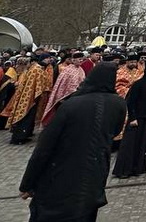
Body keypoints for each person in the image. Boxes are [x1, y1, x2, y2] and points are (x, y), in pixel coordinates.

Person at [18, 63, 127, 222]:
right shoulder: (118, 104)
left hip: (61, 172)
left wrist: (28, 183)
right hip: (95, 172)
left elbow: (45, 146)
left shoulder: (72, 104)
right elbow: (115, 131)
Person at [112, 58, 146, 179]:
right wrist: (132, 118)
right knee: (130, 143)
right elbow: (131, 102)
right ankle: (124, 169)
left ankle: (138, 168)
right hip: (136, 118)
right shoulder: (138, 84)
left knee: (142, 144)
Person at [41, 53, 86, 127]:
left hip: (76, 96)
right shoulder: (67, 70)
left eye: (82, 59)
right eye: (79, 59)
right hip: (65, 97)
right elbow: (61, 83)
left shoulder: (81, 70)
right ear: (73, 60)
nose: (81, 61)